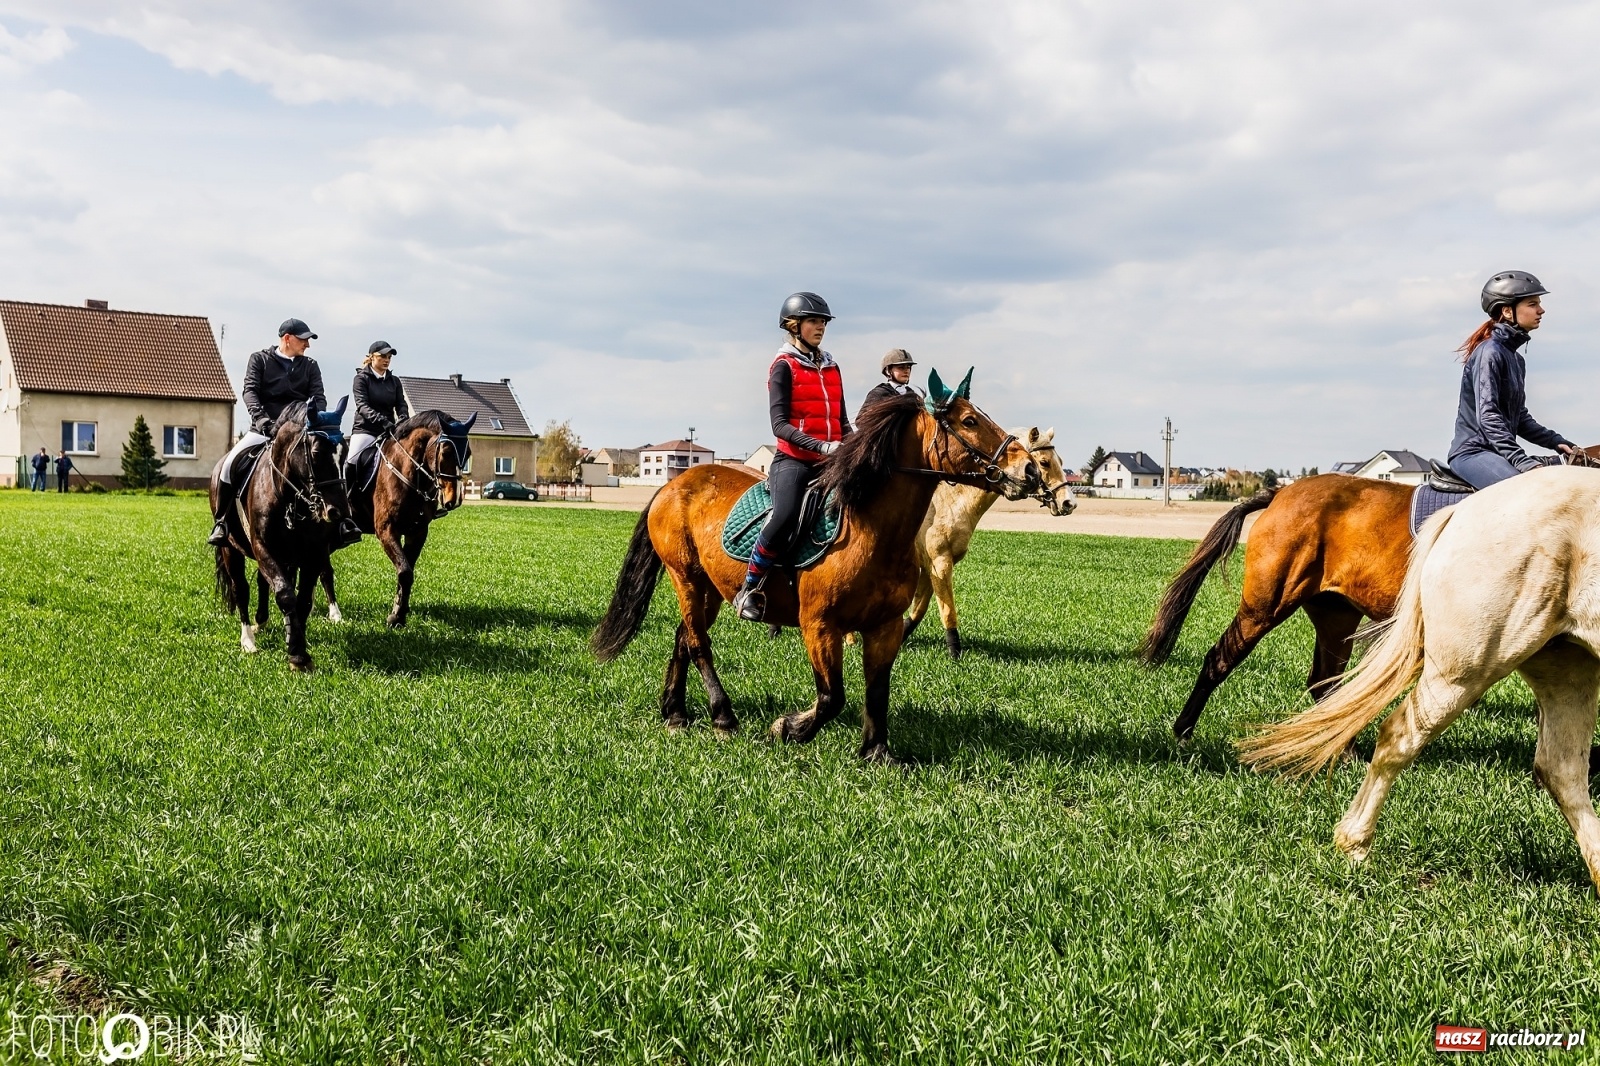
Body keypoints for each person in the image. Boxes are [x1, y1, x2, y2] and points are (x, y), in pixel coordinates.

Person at [732, 292, 853, 623]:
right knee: (785, 516)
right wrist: (822, 446)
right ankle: (750, 589)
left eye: (823, 322)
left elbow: (842, 421)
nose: (821, 328)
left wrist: (857, 446)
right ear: (793, 325)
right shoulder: (783, 366)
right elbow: (779, 425)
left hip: (833, 459)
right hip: (794, 461)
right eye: (814, 321)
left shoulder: (832, 366)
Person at [210, 318, 361, 547]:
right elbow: (250, 392)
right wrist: (262, 421)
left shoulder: (310, 365)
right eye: (304, 340)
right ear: (287, 338)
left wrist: (315, 420)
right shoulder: (259, 359)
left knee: (331, 463)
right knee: (228, 466)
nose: (307, 345)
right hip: (265, 429)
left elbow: (318, 397)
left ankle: (343, 522)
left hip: (300, 432)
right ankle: (222, 522)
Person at [1446, 270, 1576, 490]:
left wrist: (1555, 441)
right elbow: (1488, 416)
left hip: (1498, 453)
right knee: (1529, 491)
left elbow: (1520, 418)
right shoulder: (1490, 352)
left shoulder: (1515, 359)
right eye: (1532, 304)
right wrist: (1520, 459)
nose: (1541, 310)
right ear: (1507, 311)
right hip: (1474, 453)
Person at [346, 340, 411, 479]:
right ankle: (349, 496)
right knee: (352, 460)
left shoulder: (395, 381)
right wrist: (382, 421)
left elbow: (401, 404)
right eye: (383, 356)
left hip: (390, 431)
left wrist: (403, 417)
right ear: (372, 357)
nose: (386, 360)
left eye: (389, 357)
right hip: (366, 430)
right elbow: (362, 406)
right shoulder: (361, 379)